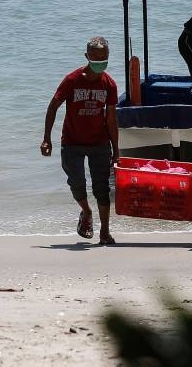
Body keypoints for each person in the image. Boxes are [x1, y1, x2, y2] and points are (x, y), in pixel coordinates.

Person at [40, 36, 120, 245]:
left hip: (99, 143)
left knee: (102, 189)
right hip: (72, 142)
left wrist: (116, 149)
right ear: (87, 56)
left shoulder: (109, 84)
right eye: (96, 57)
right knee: (77, 184)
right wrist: (47, 139)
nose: (100, 61)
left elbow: (111, 119)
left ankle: (105, 232)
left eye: (104, 57)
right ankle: (86, 212)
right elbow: (53, 107)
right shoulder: (72, 80)